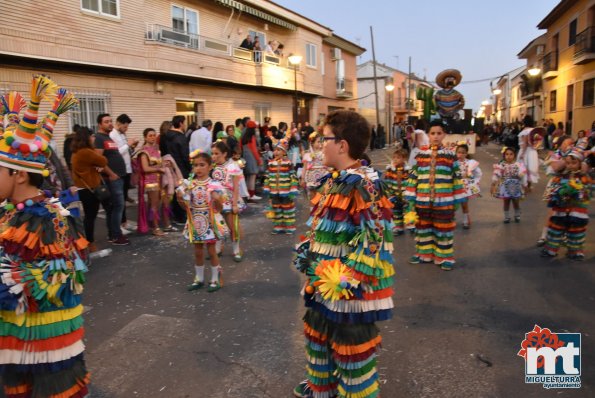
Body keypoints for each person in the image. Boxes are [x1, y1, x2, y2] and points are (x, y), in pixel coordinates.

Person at [292, 110, 394, 398]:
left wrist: (348, 278)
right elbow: (322, 229)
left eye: (324, 139)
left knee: (352, 350)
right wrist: (309, 256)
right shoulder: (332, 180)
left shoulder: (366, 184)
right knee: (318, 335)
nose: (319, 145)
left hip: (349, 291)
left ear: (342, 145)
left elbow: (375, 241)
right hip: (323, 282)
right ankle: (321, 388)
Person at [0, 75, 90, 397]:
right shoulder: (10, 211)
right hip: (14, 339)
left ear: (19, 173)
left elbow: (58, 279)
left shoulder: (51, 217)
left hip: (47, 344)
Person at [405, 119, 466, 270]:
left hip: (444, 201)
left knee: (443, 230)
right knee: (423, 227)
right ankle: (424, 253)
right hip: (422, 200)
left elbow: (457, 178)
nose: (436, 136)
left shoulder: (450, 156)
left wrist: (458, 200)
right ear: (428, 135)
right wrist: (411, 199)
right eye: (433, 133)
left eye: (439, 133)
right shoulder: (420, 155)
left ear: (444, 135)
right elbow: (413, 177)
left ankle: (444, 256)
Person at [176, 150, 227, 292]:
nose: (198, 168)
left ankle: (216, 279)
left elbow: (219, 208)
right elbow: (185, 206)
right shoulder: (189, 184)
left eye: (202, 165)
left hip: (209, 220)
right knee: (198, 251)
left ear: (210, 167)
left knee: (211, 251)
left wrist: (217, 200)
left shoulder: (214, 185)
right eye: (195, 165)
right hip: (196, 220)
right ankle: (199, 278)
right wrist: (180, 199)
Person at [72, 127, 118, 252]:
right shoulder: (86, 151)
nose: (94, 139)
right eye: (92, 136)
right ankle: (90, 243)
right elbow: (103, 160)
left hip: (84, 187)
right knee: (90, 216)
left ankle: (89, 241)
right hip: (89, 188)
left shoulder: (77, 151)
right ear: (86, 138)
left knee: (90, 215)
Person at [541, 148, 591, 260]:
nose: (571, 166)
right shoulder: (560, 176)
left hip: (577, 211)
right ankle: (551, 250)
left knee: (576, 232)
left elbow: (589, 193)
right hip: (561, 210)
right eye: (568, 163)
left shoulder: (584, 178)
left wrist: (580, 189)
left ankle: (575, 252)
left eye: (574, 163)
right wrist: (560, 192)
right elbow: (551, 186)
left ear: (580, 164)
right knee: (555, 230)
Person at [95, 113, 130, 245]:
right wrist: (111, 174)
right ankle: (116, 235)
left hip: (118, 177)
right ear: (100, 124)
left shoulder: (108, 137)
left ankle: (113, 234)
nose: (109, 123)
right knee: (118, 206)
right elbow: (98, 161)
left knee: (114, 208)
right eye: (106, 122)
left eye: (110, 121)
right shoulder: (99, 138)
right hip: (112, 179)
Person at [211, 140, 246, 261]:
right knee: (217, 225)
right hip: (216, 200)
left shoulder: (232, 166)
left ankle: (236, 249)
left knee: (232, 226)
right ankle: (217, 248)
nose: (214, 156)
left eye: (216, 153)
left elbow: (236, 187)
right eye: (212, 153)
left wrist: (235, 203)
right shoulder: (213, 167)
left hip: (229, 200)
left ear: (224, 154)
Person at [137, 127, 171, 236]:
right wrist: (159, 169)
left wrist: (164, 164)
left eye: (154, 135)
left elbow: (158, 164)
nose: (152, 137)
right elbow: (145, 168)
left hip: (159, 179)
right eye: (150, 136)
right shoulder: (143, 152)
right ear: (145, 137)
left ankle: (152, 224)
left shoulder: (157, 149)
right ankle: (155, 227)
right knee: (154, 204)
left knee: (157, 203)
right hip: (151, 181)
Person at [110, 113, 139, 234]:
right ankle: (119, 225)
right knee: (118, 200)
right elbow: (116, 153)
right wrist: (128, 144)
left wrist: (132, 146)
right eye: (125, 127)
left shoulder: (122, 134)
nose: (126, 129)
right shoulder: (112, 135)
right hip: (118, 171)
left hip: (127, 169)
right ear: (118, 123)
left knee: (124, 198)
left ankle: (124, 222)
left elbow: (126, 151)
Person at [263, 139, 299, 234]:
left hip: (286, 191)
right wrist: (267, 188)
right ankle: (278, 226)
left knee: (287, 209)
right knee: (276, 209)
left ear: (284, 152)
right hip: (274, 192)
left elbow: (293, 176)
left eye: (279, 150)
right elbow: (267, 176)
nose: (276, 152)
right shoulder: (271, 163)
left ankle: (289, 226)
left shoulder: (288, 163)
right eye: (275, 150)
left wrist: (293, 189)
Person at [164, 115, 190, 223]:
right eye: (184, 123)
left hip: (170, 167)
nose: (185, 125)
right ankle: (181, 216)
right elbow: (185, 155)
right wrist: (190, 167)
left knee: (173, 192)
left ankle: (174, 215)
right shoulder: (181, 137)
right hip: (181, 168)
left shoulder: (166, 136)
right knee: (182, 192)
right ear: (180, 123)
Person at [491, 147, 527, 223]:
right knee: (506, 201)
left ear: (514, 155)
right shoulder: (501, 165)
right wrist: (493, 184)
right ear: (504, 155)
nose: (509, 156)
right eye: (507, 154)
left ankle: (517, 215)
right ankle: (506, 216)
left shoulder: (518, 165)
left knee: (515, 201)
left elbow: (523, 175)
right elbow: (496, 175)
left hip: (515, 185)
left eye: (511, 154)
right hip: (505, 186)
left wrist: (524, 184)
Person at [383, 148, 411, 235]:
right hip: (394, 194)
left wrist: (409, 192)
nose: (395, 159)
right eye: (394, 157)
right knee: (396, 211)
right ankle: (399, 227)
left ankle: (410, 224)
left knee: (408, 209)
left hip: (405, 194)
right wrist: (389, 194)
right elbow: (387, 182)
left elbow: (410, 181)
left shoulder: (407, 170)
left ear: (404, 159)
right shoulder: (390, 170)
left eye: (398, 158)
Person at [456, 143, 482, 229]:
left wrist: (474, 181)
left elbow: (478, 173)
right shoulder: (453, 163)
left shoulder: (470, 163)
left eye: (463, 152)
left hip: (465, 187)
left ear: (466, 153)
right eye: (459, 152)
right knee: (452, 205)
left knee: (464, 204)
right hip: (455, 186)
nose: (460, 154)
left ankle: (465, 220)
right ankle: (450, 220)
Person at [300, 132, 326, 200]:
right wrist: (303, 179)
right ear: (312, 143)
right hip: (311, 179)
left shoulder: (324, 153)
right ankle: (312, 210)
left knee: (321, 197)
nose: (320, 143)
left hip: (322, 178)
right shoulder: (307, 154)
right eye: (318, 142)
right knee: (312, 197)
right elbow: (305, 167)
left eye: (321, 141)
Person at [241, 120, 263, 200]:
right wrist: (259, 160)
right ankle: (252, 195)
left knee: (248, 177)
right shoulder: (252, 137)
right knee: (252, 176)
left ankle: (247, 194)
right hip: (252, 158)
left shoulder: (243, 136)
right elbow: (254, 150)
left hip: (245, 157)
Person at [517, 115, 540, 190]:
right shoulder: (534, 131)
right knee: (531, 168)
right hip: (533, 151)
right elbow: (537, 142)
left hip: (526, 151)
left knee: (523, 168)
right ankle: (529, 184)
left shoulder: (525, 130)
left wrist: (522, 153)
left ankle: (525, 185)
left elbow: (525, 143)